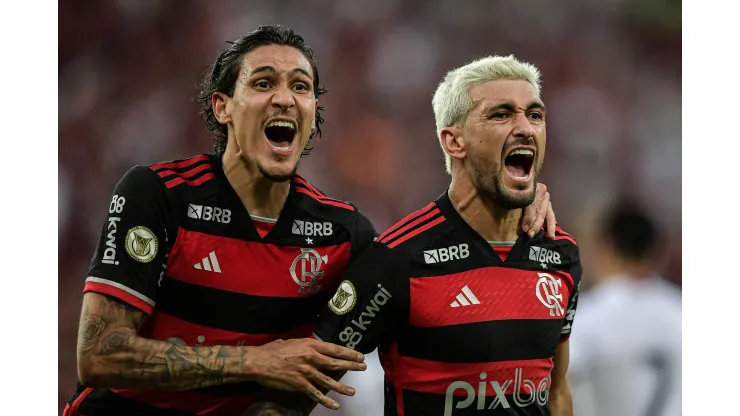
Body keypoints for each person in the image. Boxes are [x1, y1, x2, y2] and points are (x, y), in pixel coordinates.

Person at [64, 26, 559, 416]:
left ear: (312, 113)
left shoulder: (342, 234)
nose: (285, 97)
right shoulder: (159, 195)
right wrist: (257, 361)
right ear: (223, 108)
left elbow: (425, 255)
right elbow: (99, 354)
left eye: (300, 86)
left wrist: (518, 201)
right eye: (263, 83)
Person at [248, 55, 581, 416]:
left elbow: (556, 390)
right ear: (454, 142)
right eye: (501, 115)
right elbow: (287, 400)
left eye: (535, 115)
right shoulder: (398, 259)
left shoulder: (560, 253)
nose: (526, 128)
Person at [567, 200, 681, 416]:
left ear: (605, 247)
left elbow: (552, 384)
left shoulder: (589, 317)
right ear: (655, 250)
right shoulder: (680, 312)